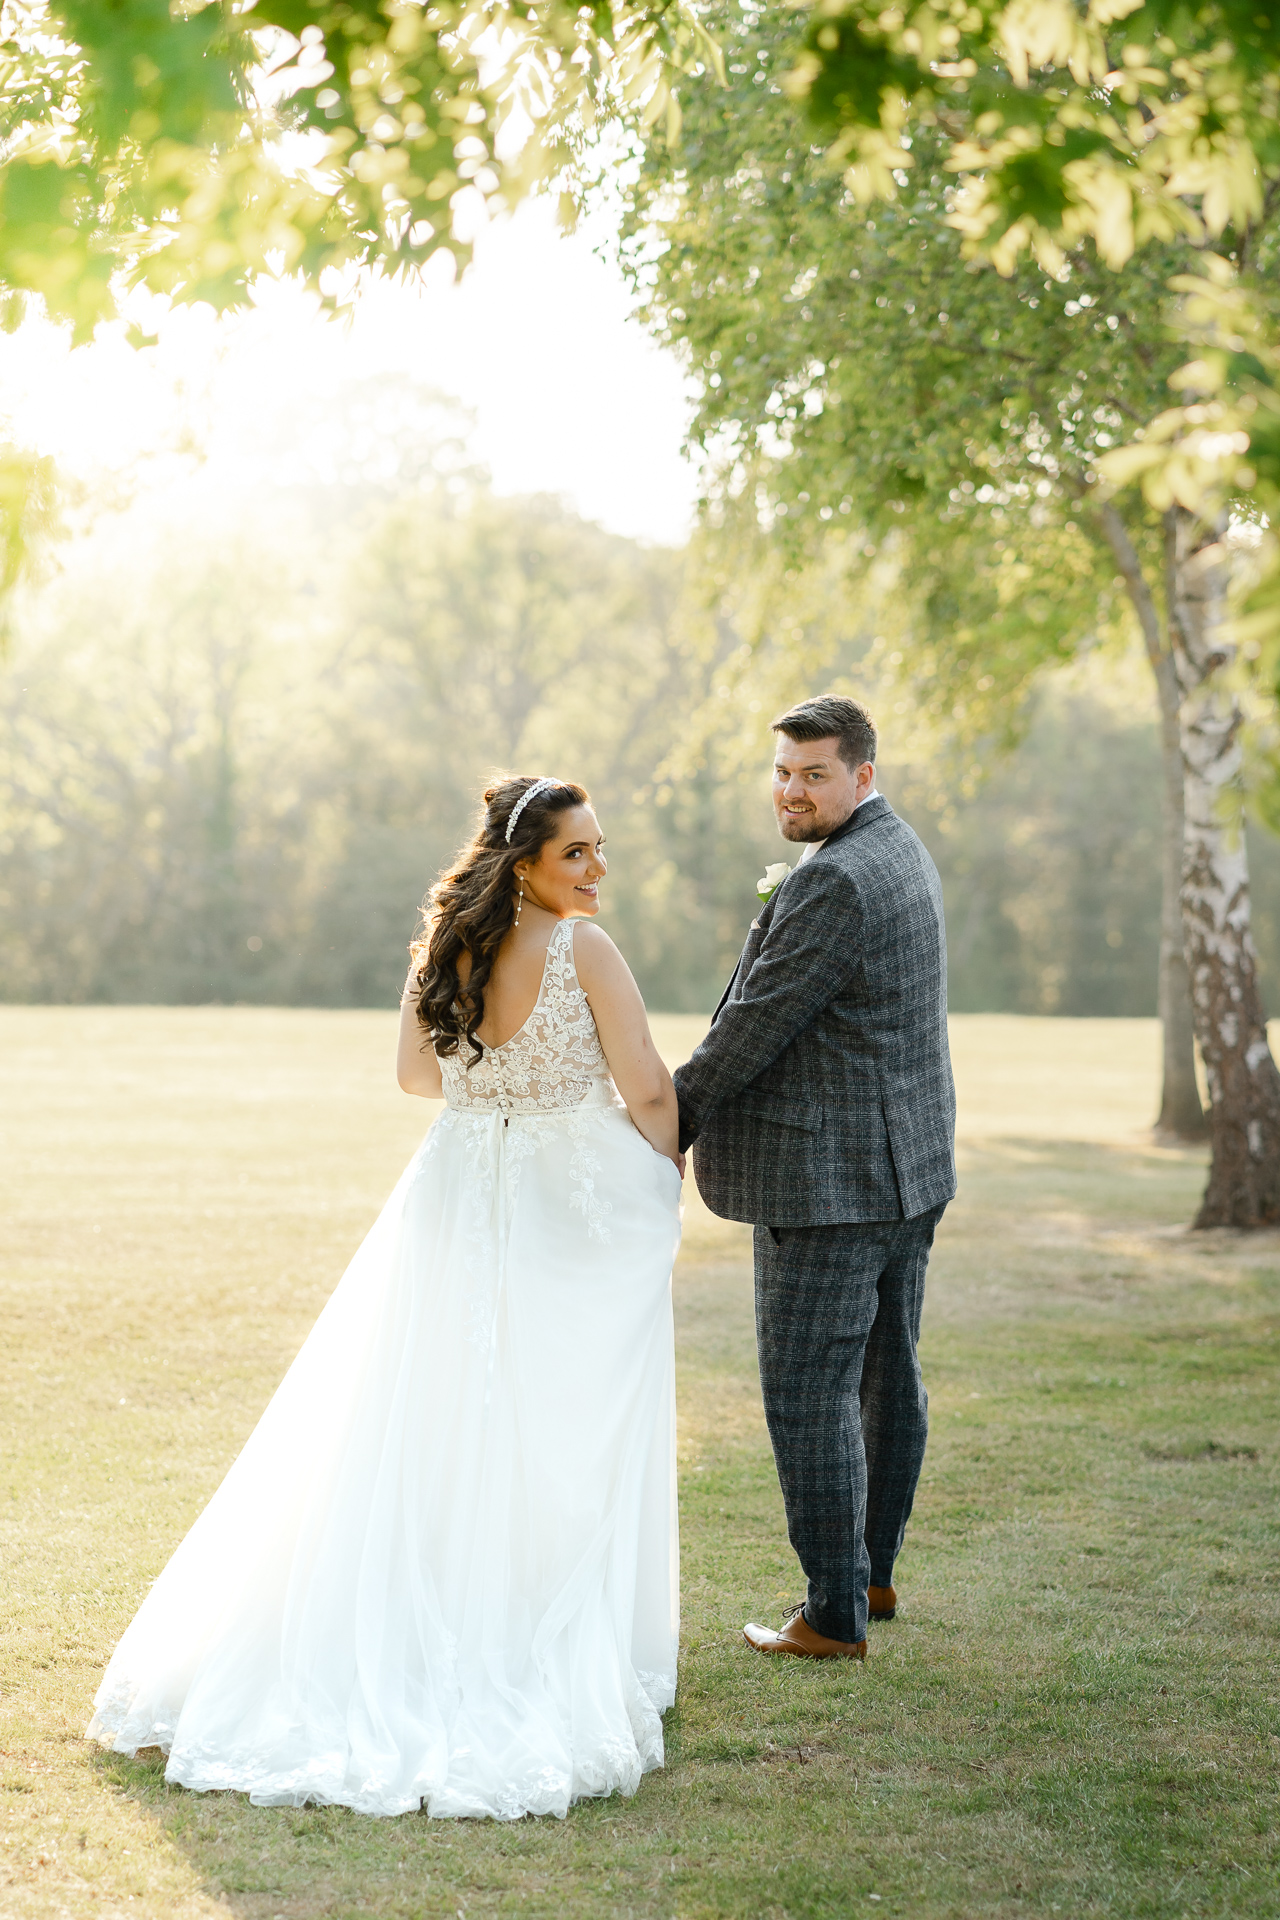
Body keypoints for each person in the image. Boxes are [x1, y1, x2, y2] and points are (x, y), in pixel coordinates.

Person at [88, 776, 683, 1819]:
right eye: (575, 854)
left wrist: (496, 1091)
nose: (596, 870)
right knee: (551, 1415)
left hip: (460, 1185)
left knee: (435, 1409)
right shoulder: (585, 952)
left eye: (596, 849)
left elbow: (416, 1078)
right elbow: (643, 1086)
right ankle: (517, 1629)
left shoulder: (448, 949)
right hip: (561, 1199)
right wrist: (657, 1159)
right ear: (524, 864)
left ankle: (445, 1611)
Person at [673, 695, 955, 1661]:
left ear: (862, 775)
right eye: (784, 773)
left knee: (809, 1393)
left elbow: (753, 1024)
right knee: (887, 1378)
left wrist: (670, 1115)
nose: (793, 791)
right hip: (904, 1171)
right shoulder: (897, 848)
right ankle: (869, 1576)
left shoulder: (835, 882)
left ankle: (831, 1615)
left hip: (829, 1184)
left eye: (815, 774)